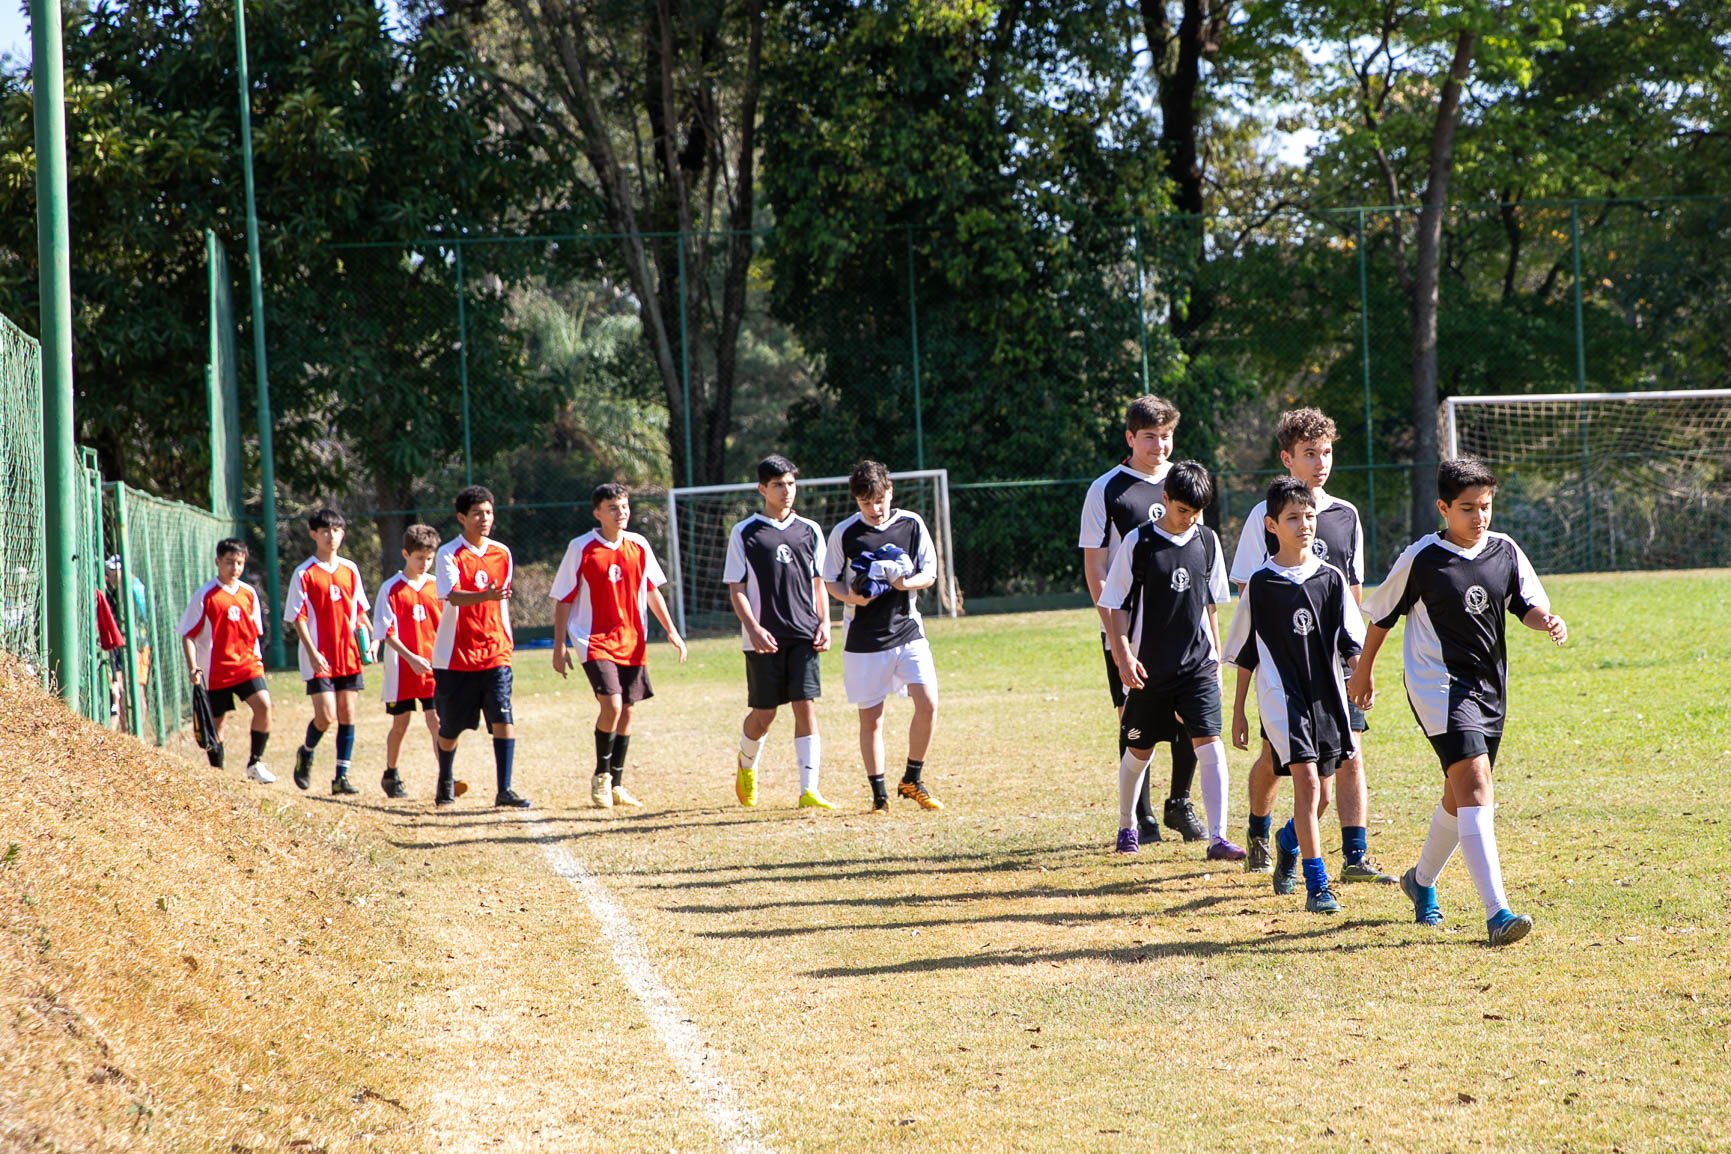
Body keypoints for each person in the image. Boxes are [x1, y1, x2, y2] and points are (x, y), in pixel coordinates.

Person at [1347, 457, 1566, 947]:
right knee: (1476, 783)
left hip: (1489, 688)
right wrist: (1363, 670)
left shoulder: (1505, 551)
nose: (1479, 516)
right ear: (1443, 508)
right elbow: (1381, 617)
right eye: (1467, 508)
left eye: (1485, 506)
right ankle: (1497, 913)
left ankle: (1420, 881)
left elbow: (1526, 605)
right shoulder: (1422, 558)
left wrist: (1547, 621)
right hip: (1438, 687)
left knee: (1460, 791)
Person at [1228, 408, 1394, 883]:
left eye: (1326, 453)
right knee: (1275, 761)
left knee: (1349, 754)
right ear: (1287, 458)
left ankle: (1354, 856)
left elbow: (1352, 591)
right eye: (1309, 454)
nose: (1321, 463)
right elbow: (1251, 594)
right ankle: (1261, 831)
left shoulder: (1345, 515)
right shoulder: (1263, 515)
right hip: (1283, 673)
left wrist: (1356, 662)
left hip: (1335, 667)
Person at [1224, 478, 1365, 914]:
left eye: (1309, 516)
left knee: (1322, 797)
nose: (1304, 524)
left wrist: (1361, 677)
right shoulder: (1261, 584)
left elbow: (1352, 642)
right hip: (1282, 701)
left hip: (1326, 699)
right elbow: (1245, 653)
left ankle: (1287, 842)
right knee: (1306, 783)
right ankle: (1317, 886)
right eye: (1292, 518)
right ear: (1271, 525)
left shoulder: (1331, 578)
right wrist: (1239, 711)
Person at [1098, 461, 1242, 861]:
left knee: (1210, 744)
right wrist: (1123, 655)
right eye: (1182, 511)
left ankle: (1218, 838)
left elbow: (1211, 607)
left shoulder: (1208, 541)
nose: (1189, 519)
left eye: (1196, 512)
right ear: (1165, 500)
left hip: (1197, 667)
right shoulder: (1139, 543)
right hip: (1149, 669)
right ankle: (1127, 825)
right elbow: (1116, 605)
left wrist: (1216, 661)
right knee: (1139, 751)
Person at [1079, 394, 1204, 844]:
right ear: (1130, 438)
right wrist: (1115, 634)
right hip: (1130, 631)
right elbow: (1096, 567)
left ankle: (1179, 804)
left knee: (1192, 714)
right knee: (1135, 720)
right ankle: (1142, 816)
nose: (1159, 446)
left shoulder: (1184, 482)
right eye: (1150, 437)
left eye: (1166, 436)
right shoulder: (1107, 489)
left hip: (1182, 628)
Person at [550, 482, 688, 809]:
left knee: (627, 710)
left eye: (624, 506)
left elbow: (651, 589)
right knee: (611, 706)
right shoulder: (581, 547)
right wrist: (559, 646)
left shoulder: (639, 544)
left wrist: (671, 631)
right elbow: (563, 599)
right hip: (593, 639)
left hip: (632, 639)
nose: (621, 513)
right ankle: (601, 776)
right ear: (597, 513)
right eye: (613, 508)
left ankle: (617, 784)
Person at [822, 460, 943, 813]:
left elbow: (930, 573)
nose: (874, 509)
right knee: (872, 719)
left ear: (890, 492)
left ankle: (912, 779)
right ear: (856, 501)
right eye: (865, 503)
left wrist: (905, 583)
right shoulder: (844, 532)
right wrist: (852, 597)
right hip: (864, 639)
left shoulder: (911, 524)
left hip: (908, 630)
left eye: (878, 500)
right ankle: (879, 796)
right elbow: (830, 580)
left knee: (928, 704)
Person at [724, 455, 833, 809]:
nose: (787, 491)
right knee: (765, 714)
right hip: (763, 638)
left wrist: (825, 622)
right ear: (762, 489)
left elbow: (818, 582)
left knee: (805, 706)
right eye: (778, 485)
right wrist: (753, 628)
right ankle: (746, 765)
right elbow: (736, 588)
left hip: (803, 633)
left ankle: (809, 790)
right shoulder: (745, 532)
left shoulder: (810, 530)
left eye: (790, 484)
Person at [432, 485, 529, 809]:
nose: (484, 518)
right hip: (456, 657)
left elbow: (501, 601)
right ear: (462, 518)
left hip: (495, 651)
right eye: (477, 513)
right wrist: (485, 595)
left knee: (503, 718)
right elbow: (452, 596)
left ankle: (505, 789)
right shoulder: (449, 554)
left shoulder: (502, 553)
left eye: (488, 512)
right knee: (450, 729)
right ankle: (445, 778)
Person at [286, 508, 373, 796]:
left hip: (348, 654)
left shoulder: (350, 569)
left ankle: (341, 777)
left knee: (347, 714)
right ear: (313, 534)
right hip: (319, 657)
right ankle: (306, 751)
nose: (330, 536)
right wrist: (312, 652)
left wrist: (369, 639)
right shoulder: (304, 573)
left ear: (342, 534)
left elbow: (359, 611)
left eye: (335, 531)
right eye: (324, 531)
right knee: (326, 716)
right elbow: (297, 618)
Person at [177, 538, 273, 783]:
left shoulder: (249, 593)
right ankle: (218, 776)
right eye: (229, 562)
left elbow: (254, 633)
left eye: (239, 563)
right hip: (215, 671)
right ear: (217, 562)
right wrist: (193, 667)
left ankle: (255, 763)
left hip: (246, 666)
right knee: (216, 725)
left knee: (263, 705)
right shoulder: (205, 595)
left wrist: (258, 660)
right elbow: (188, 635)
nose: (235, 567)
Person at [374, 524, 447, 800]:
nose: (424, 564)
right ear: (405, 554)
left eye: (429, 558)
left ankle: (445, 778)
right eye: (419, 558)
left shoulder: (437, 587)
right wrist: (411, 657)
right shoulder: (390, 589)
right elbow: (385, 632)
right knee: (400, 724)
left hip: (431, 667)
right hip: (401, 669)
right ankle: (391, 773)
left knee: (436, 720)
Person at [104, 556, 152, 732]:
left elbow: (142, 616)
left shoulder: (133, 588)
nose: (107, 577)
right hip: (122, 644)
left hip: (137, 645)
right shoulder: (118, 590)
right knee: (123, 689)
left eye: (110, 573)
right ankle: (128, 732)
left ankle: (137, 731)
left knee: (137, 689)